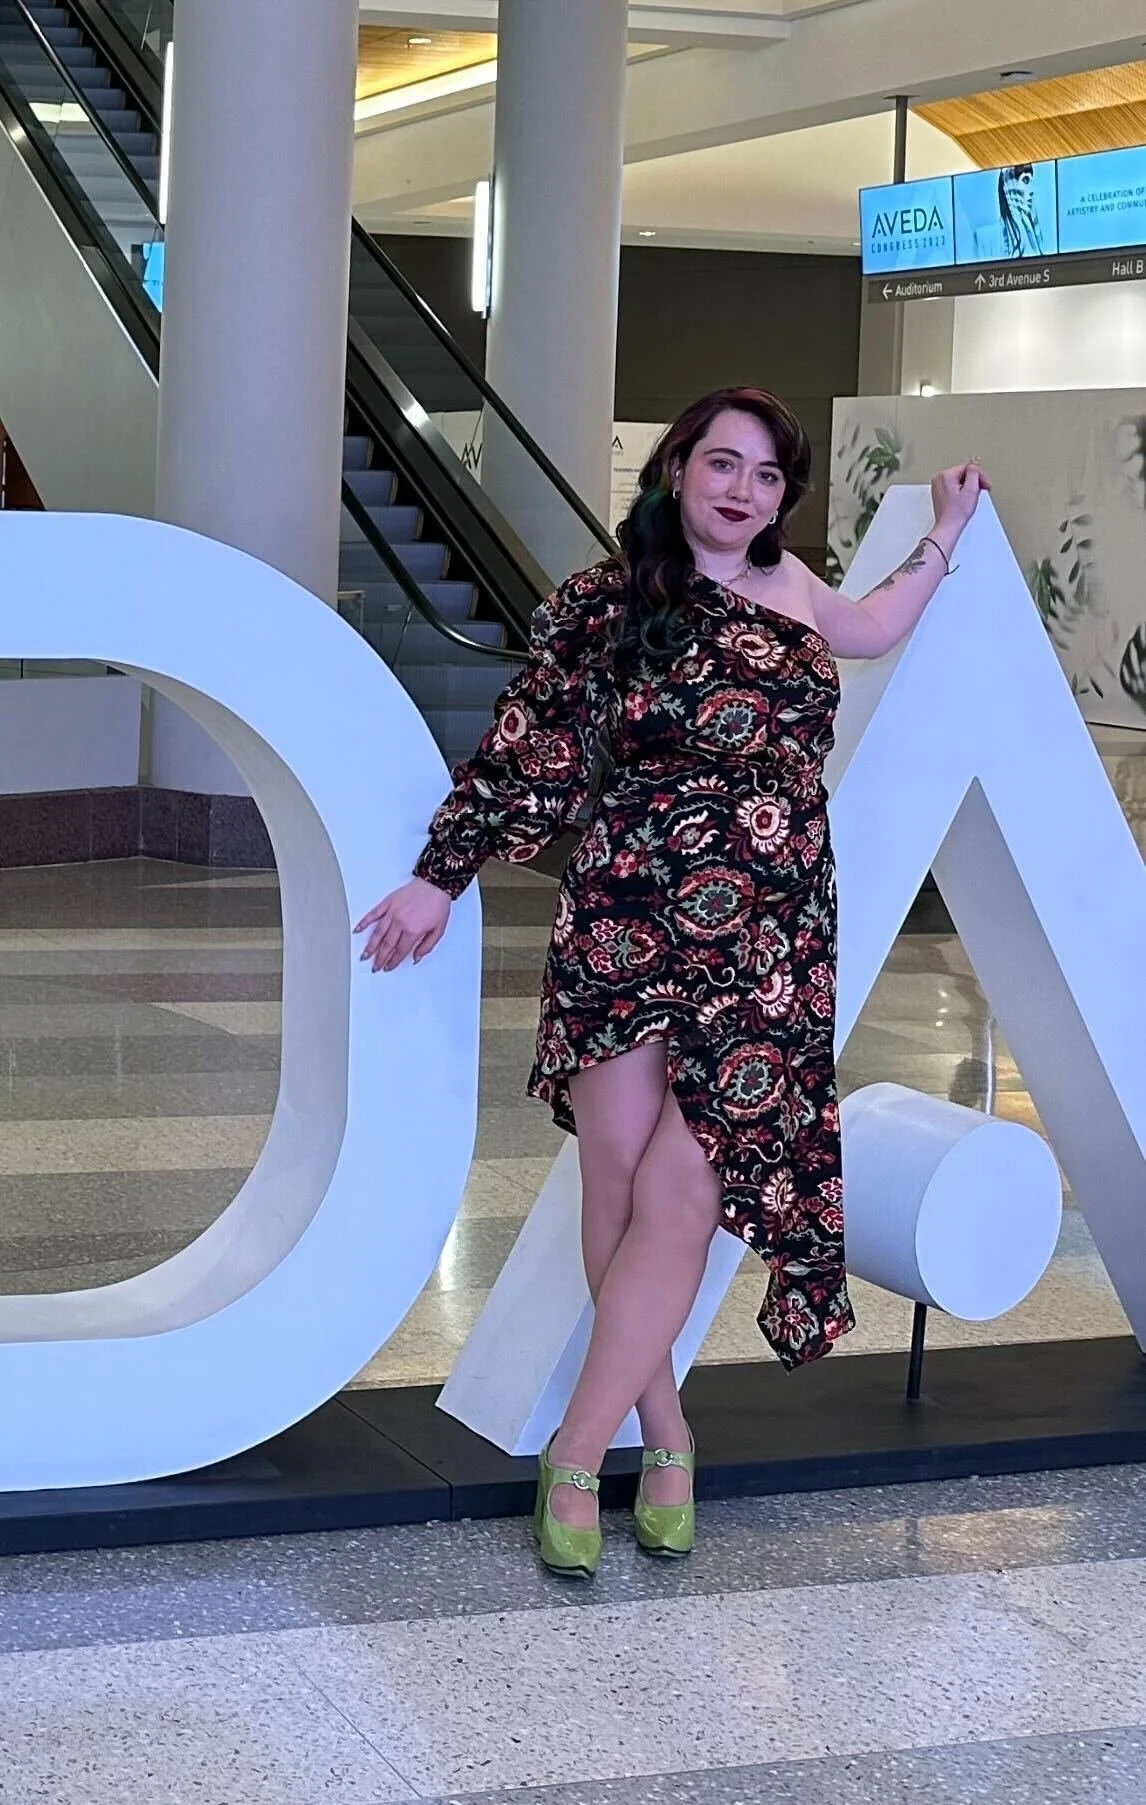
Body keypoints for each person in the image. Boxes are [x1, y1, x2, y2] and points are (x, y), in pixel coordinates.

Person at [355, 388, 987, 1579]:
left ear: (780, 497)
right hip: (627, 920)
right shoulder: (605, 602)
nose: (742, 488)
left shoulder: (800, 590)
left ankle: (579, 1448)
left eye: (765, 475)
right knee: (620, 1184)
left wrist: (943, 534)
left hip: (771, 939)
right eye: (722, 463)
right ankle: (669, 1432)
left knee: (689, 1188)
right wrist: (441, 877)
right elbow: (529, 745)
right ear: (676, 469)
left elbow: (882, 620)